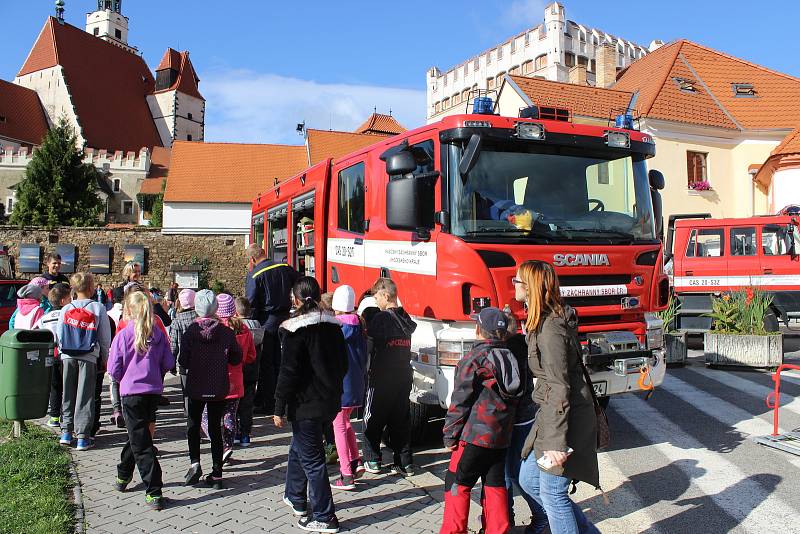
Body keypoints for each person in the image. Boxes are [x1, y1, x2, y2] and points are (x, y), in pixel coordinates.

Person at [514, 260, 600, 534]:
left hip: (564, 416)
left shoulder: (550, 328)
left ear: (530, 288)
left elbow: (559, 386)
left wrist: (556, 443)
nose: (513, 285)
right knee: (529, 480)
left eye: (517, 281)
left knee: (553, 493)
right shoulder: (542, 321)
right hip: (550, 412)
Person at [274, 277, 347, 533]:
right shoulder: (334, 327)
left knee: (313, 460)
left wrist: (278, 406)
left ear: (295, 299)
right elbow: (343, 365)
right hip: (328, 401)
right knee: (300, 447)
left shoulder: (295, 330)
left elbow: (288, 371)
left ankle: (325, 516)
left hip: (305, 404)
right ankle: (295, 496)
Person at [440, 307, 523, 534]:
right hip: (501, 437)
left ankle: (453, 531)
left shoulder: (473, 358)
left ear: (479, 330)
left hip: (474, 436)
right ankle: (498, 530)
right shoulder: (512, 356)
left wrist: (449, 436)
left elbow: (460, 402)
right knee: (495, 485)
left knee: (457, 483)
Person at [107, 290, 174, 511]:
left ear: (128, 310)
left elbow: (114, 369)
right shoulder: (158, 334)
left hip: (131, 393)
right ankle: (123, 474)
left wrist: (123, 377)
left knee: (141, 442)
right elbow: (168, 362)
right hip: (152, 391)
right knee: (139, 436)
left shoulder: (124, 335)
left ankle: (154, 490)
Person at [179, 290, 243, 489]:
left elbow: (183, 360)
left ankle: (195, 463)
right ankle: (217, 473)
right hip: (218, 385)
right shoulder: (226, 332)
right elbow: (236, 357)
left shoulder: (191, 331)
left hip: (196, 384)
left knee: (193, 424)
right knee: (215, 428)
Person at [362, 278, 416, 476]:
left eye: (376, 296)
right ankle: (405, 462)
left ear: (385, 295)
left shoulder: (381, 319)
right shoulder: (405, 317)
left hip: (381, 376)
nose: (375, 301)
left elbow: (370, 345)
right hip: (403, 376)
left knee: (372, 419)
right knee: (400, 421)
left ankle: (372, 459)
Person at [57, 272, 111, 451]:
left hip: (67, 355)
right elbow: (104, 337)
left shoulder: (66, 308)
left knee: (67, 393)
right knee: (85, 396)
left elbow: (59, 334)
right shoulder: (97, 307)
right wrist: (105, 357)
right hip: (88, 356)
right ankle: (82, 437)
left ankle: (65, 432)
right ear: (91, 288)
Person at [201, 294, 256, 464]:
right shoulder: (243, 328)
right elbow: (251, 356)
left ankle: (218, 442)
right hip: (235, 381)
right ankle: (227, 446)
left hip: (213, 381)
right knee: (229, 415)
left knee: (205, 416)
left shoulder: (211, 327)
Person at [503, 314, 546, 532]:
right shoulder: (525, 346)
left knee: (508, 474)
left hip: (510, 420)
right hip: (526, 416)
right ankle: (537, 515)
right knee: (515, 473)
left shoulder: (505, 352)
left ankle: (507, 519)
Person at [244, 244, 298, 414]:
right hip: (285, 318)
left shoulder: (254, 275)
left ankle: (267, 402)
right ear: (264, 253)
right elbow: (301, 283)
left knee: (266, 364)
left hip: (266, 322)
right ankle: (284, 398)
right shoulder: (285, 267)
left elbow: (251, 304)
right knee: (282, 362)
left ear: (252, 259)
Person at [328, 285, 368, 490]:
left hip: (340, 384)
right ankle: (355, 461)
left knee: (339, 426)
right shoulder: (360, 325)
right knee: (346, 423)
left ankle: (346, 474)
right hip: (357, 383)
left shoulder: (335, 328)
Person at [36, 284, 72, 428]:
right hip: (67, 354)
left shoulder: (44, 318)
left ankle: (54, 417)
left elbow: (40, 334)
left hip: (52, 355)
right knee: (69, 386)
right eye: (70, 298)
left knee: (55, 387)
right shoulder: (68, 315)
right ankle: (67, 416)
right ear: (63, 301)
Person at [234, 297, 263, 447]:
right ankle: (246, 434)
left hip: (238, 370)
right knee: (247, 404)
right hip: (252, 371)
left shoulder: (236, 326)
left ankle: (235, 432)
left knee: (235, 404)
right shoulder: (257, 326)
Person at [170, 289, 197, 417]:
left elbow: (173, 345)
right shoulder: (200, 318)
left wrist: (171, 364)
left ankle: (189, 419)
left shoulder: (177, 321)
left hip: (184, 363)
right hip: (201, 361)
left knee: (186, 393)